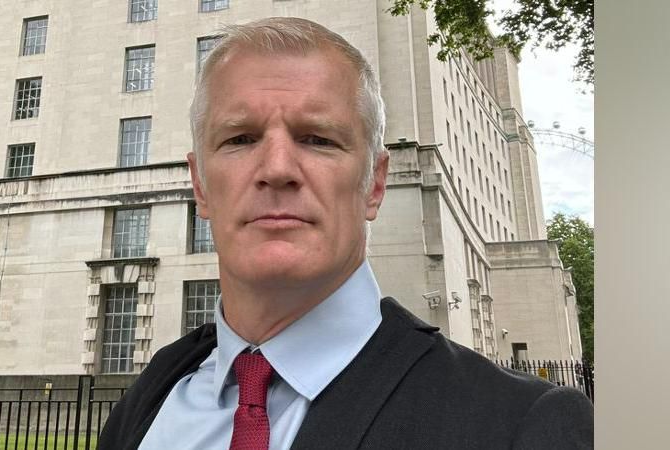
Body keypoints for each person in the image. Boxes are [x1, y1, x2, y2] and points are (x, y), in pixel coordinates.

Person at [98, 17, 593, 450]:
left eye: (317, 139)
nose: (276, 168)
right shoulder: (151, 397)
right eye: (240, 138)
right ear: (200, 186)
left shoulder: (525, 425)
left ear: (374, 184)